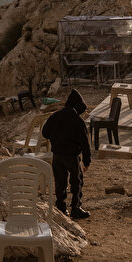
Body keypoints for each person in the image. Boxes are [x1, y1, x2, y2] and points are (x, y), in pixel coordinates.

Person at [41, 89, 92, 220]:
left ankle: (61, 208)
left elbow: (45, 133)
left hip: (57, 156)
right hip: (71, 156)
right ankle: (75, 208)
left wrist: (55, 137)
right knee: (76, 182)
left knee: (60, 181)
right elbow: (85, 144)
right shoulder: (78, 121)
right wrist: (87, 161)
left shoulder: (55, 116)